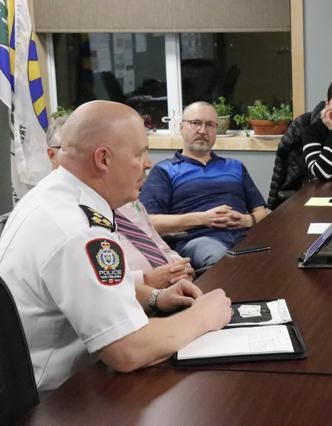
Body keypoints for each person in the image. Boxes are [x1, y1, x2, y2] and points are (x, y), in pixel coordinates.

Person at [0, 101, 232, 392]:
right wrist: (202, 317)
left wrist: (153, 297)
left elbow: (84, 286)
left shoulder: (49, 196)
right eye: (139, 153)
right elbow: (127, 351)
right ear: (104, 159)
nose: (148, 163)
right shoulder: (78, 230)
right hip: (55, 401)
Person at [45, 114, 195, 289]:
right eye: (70, 150)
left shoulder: (126, 197)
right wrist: (146, 281)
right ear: (52, 155)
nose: (147, 163)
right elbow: (89, 286)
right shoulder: (63, 214)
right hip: (137, 303)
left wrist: (179, 266)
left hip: (171, 291)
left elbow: (159, 245)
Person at [139, 101, 268, 269]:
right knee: (223, 261)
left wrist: (247, 220)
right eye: (195, 123)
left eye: (210, 125)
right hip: (200, 241)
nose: (202, 130)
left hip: (245, 236)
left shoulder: (235, 166)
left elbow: (261, 212)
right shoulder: (164, 170)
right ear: (181, 127)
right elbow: (149, 222)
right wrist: (203, 218)